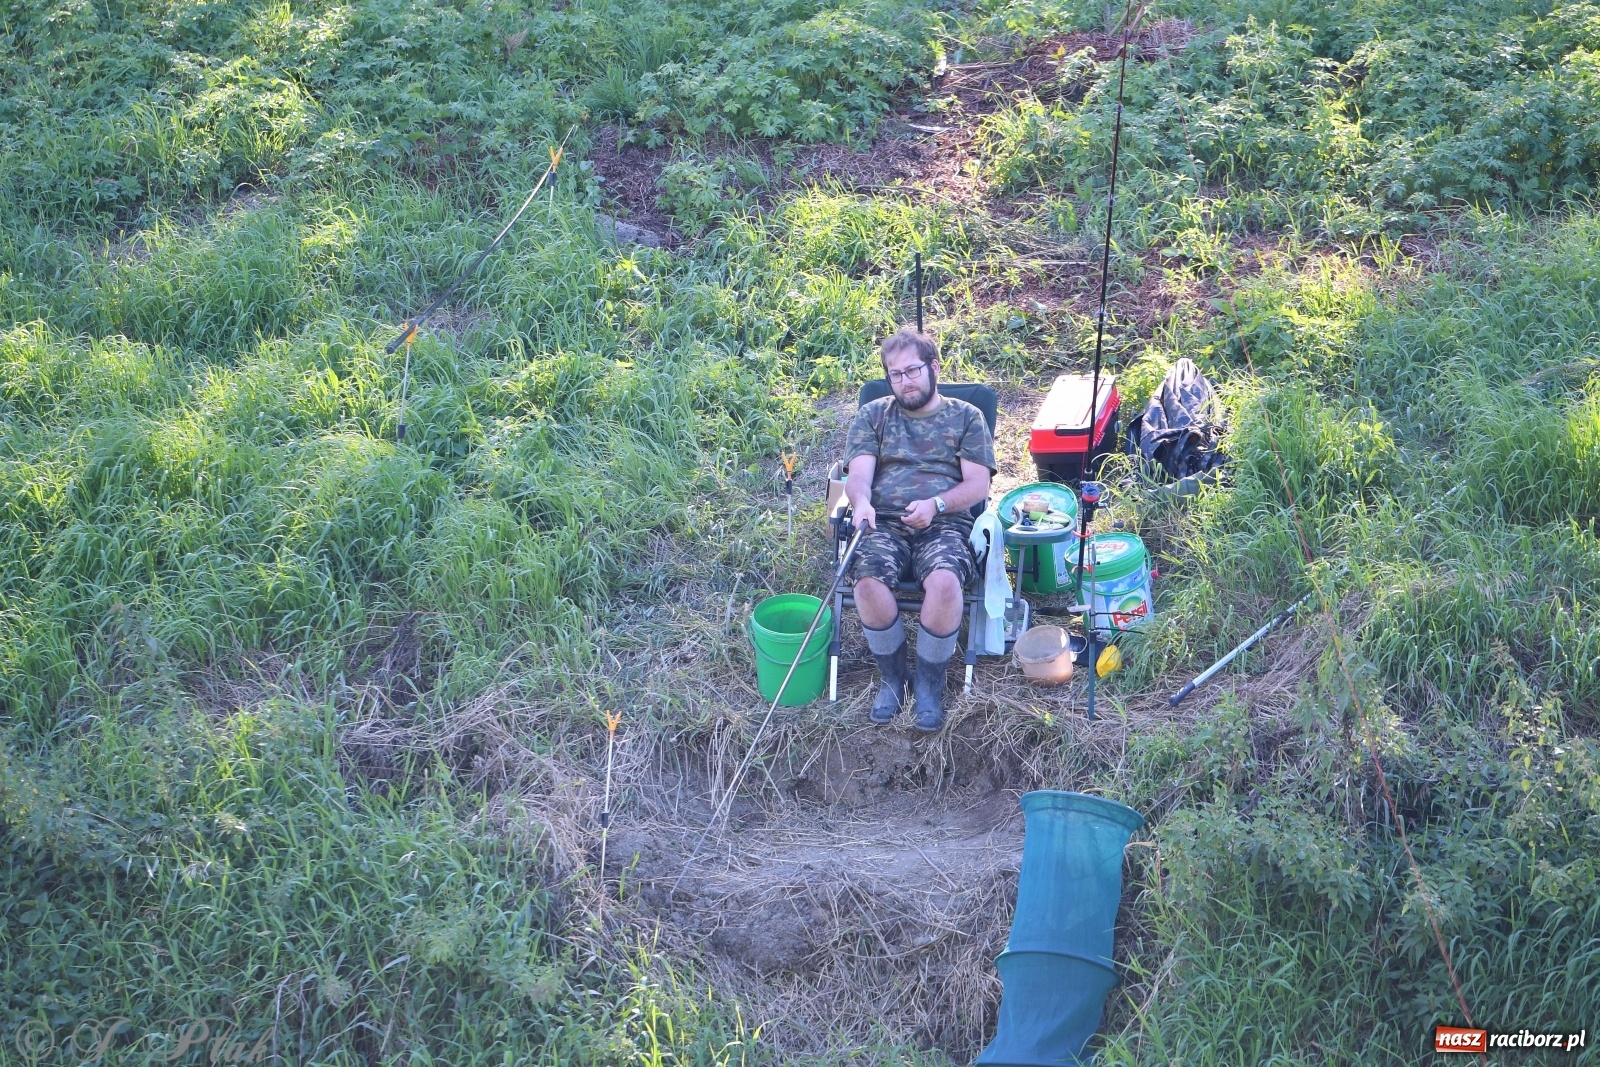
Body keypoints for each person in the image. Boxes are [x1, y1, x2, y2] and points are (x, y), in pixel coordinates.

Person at [844, 326, 995, 732]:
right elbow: (858, 476)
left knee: (945, 583)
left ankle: (929, 682)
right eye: (895, 374)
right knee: (867, 582)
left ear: (934, 367)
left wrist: (936, 505)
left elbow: (978, 485)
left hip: (945, 521)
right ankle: (893, 678)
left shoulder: (967, 417)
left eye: (912, 371)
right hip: (883, 521)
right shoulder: (873, 414)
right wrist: (861, 503)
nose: (905, 381)